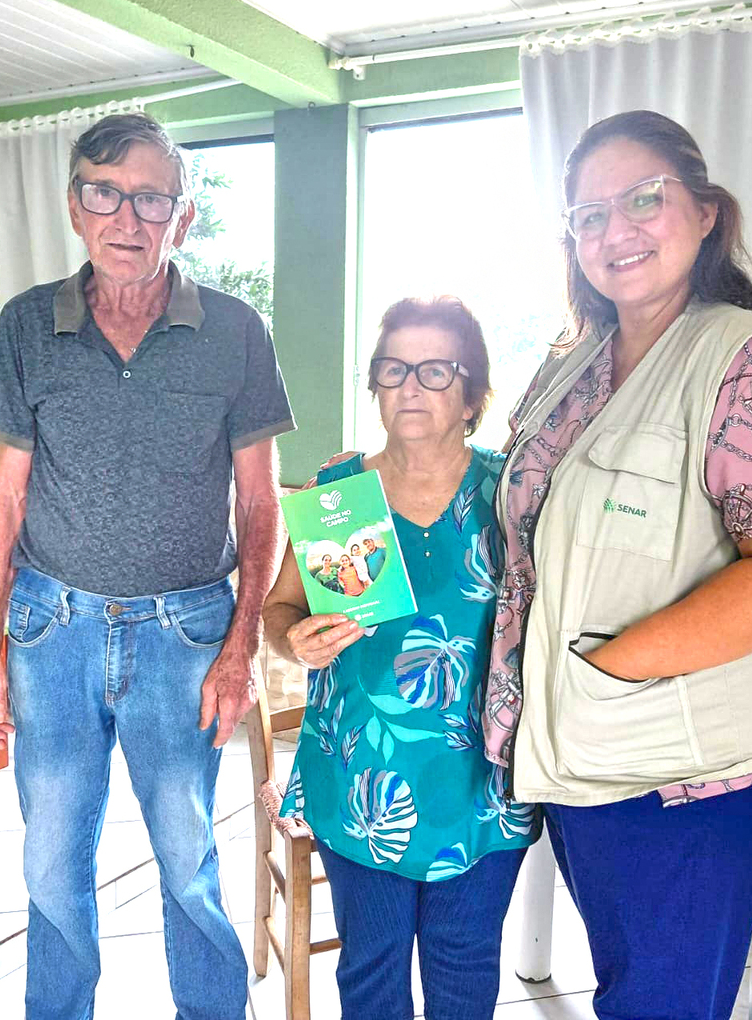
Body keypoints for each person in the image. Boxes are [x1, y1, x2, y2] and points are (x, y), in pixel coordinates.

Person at [482, 110, 752, 1020]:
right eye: (588, 215)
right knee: (631, 983)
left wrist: (611, 669)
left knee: (663, 1003)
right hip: (581, 756)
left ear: (704, 213)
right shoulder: (571, 365)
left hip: (686, 779)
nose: (615, 230)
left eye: (642, 199)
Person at [0, 112, 295, 1020]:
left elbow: (260, 504)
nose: (127, 218)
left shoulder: (235, 330)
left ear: (182, 217)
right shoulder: (29, 323)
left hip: (183, 637)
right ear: (76, 208)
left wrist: (238, 653)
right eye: (105, 193)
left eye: (151, 198)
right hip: (50, 631)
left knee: (188, 861)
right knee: (51, 861)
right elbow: (6, 497)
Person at [263, 296, 537, 1020]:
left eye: (436, 370)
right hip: (360, 781)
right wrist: (294, 637)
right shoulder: (340, 493)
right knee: (372, 971)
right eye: (394, 368)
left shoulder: (511, 494)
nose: (411, 385)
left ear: (474, 392)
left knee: (464, 969)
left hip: (483, 781)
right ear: (376, 385)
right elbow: (278, 610)